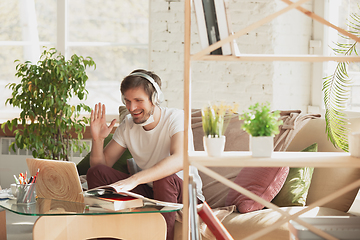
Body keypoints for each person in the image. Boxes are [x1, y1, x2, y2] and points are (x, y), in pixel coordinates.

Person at [86, 69, 204, 240]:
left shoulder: (176, 118)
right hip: (152, 192)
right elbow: (99, 167)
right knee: (95, 173)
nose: (132, 108)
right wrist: (97, 140)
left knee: (164, 178)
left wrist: (133, 180)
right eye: (127, 101)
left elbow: (179, 159)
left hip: (184, 193)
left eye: (138, 101)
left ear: (155, 99)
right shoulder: (128, 125)